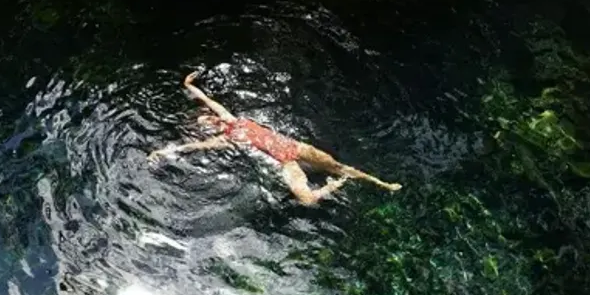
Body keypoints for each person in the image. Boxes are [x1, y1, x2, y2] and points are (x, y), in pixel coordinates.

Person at [148, 70, 403, 206]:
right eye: (210, 123)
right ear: (210, 129)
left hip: (295, 147)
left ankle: (382, 184)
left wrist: (188, 85)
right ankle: (334, 186)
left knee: (338, 166)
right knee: (307, 200)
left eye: (212, 117)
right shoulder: (225, 140)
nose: (215, 119)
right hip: (285, 162)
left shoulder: (231, 118)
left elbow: (207, 100)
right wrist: (163, 152)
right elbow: (192, 146)